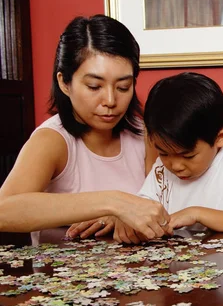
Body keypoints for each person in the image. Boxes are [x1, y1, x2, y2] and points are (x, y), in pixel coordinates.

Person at [0, 15, 171, 240]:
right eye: (94, 86)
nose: (110, 100)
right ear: (64, 82)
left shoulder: (145, 134)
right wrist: (113, 203)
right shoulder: (53, 140)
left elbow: (165, 205)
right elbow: (4, 210)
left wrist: (123, 216)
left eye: (123, 87)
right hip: (66, 272)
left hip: (140, 270)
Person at [129, 72, 223, 243]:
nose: (176, 165)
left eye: (188, 155)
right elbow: (142, 208)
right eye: (163, 153)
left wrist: (196, 214)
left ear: (219, 139)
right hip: (175, 264)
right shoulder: (161, 168)